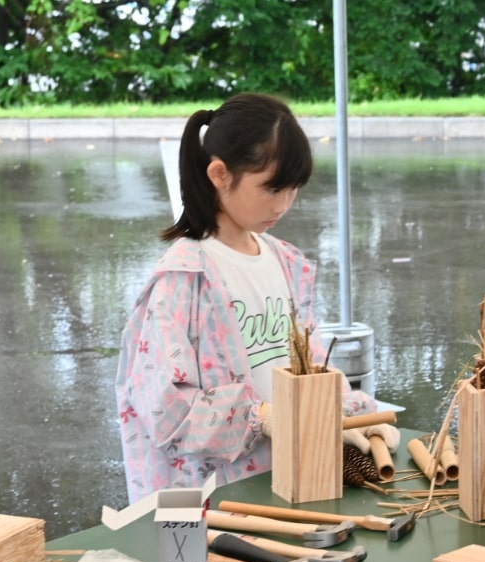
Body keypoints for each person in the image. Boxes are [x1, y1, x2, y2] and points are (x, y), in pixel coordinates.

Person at [115, 93, 395, 503]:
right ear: (219, 174)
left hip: (292, 478)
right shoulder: (182, 281)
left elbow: (309, 363)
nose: (283, 205)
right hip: (217, 502)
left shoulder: (285, 262)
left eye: (293, 189)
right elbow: (164, 408)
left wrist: (351, 410)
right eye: (270, 189)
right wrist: (259, 418)